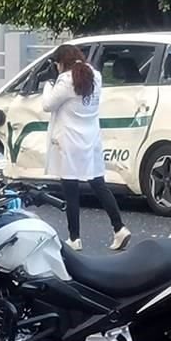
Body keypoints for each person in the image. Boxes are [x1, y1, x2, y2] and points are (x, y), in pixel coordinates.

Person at [41, 44, 131, 252]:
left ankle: (75, 238)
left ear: (61, 62)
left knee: (71, 189)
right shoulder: (96, 76)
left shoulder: (64, 80)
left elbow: (47, 105)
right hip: (91, 139)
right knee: (99, 183)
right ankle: (119, 228)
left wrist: (48, 83)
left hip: (70, 140)